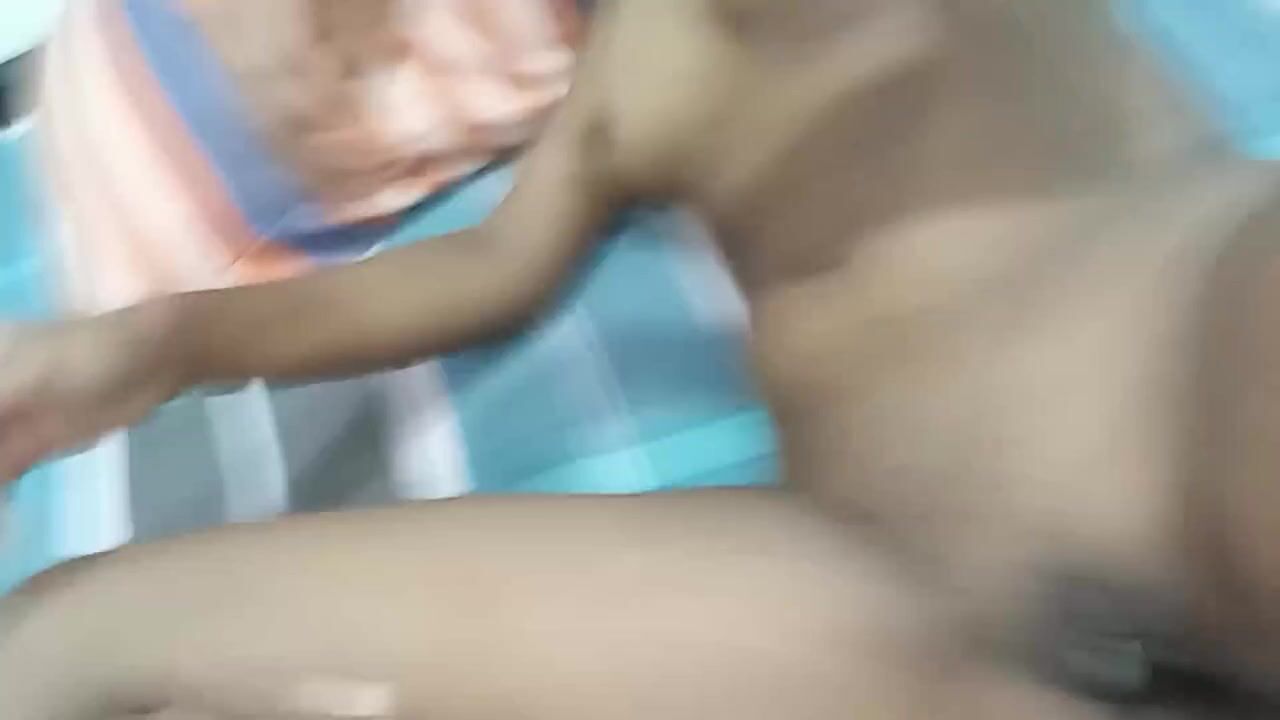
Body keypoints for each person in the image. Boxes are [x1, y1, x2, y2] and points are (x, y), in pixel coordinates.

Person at [2, 0, 1279, 717]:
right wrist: (156, 345)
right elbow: (484, 270)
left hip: (1165, 373)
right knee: (61, 638)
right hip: (851, 593)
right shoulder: (637, 59)